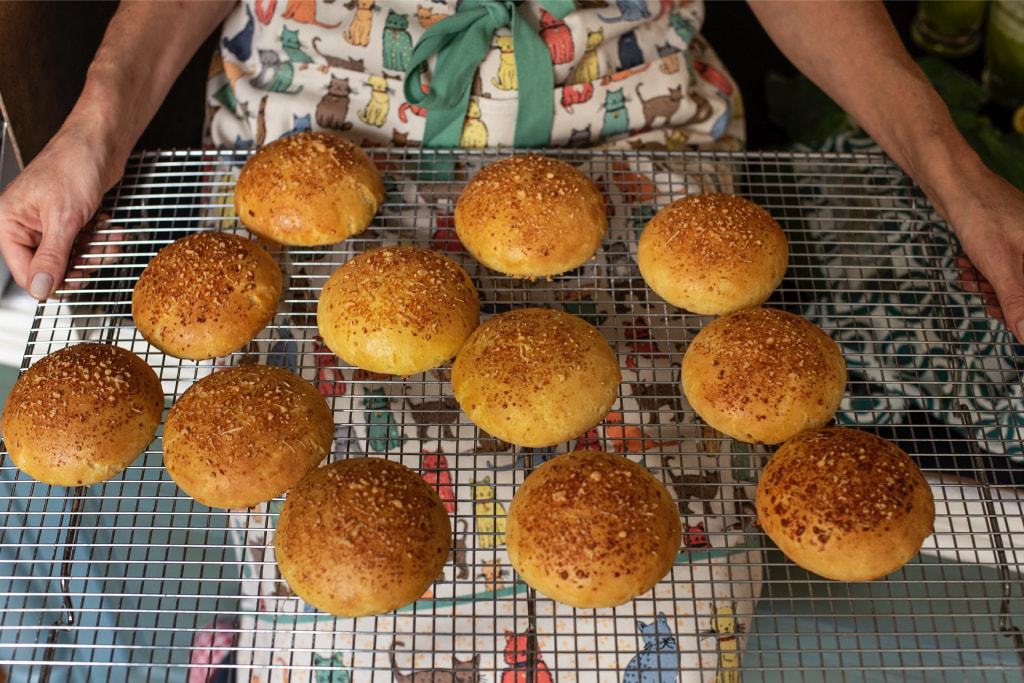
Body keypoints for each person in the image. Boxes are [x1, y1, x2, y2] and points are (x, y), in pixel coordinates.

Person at [0, 0, 1022, 345]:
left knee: (646, 581)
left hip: (637, 157)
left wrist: (954, 174)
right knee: (330, 583)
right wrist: (93, 129)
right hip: (310, 152)